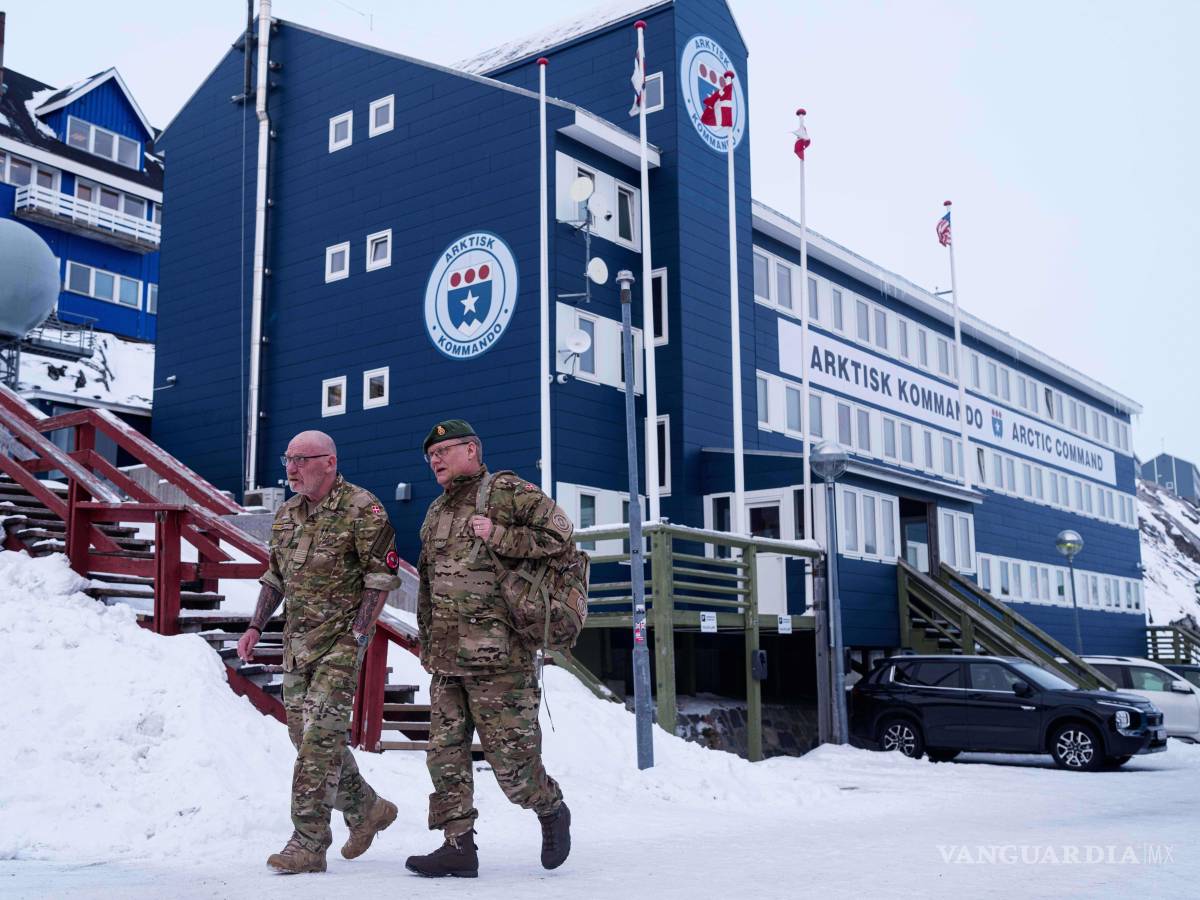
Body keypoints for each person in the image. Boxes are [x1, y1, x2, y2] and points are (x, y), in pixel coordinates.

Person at [405, 419, 572, 878]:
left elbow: (560, 534)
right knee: (445, 755)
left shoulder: (506, 491)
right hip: (445, 659)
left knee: (513, 767)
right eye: (430, 456)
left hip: (500, 659)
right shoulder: (436, 512)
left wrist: (500, 535)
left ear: (473, 449)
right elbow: (427, 586)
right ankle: (458, 845)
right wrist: (426, 641)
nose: (435, 460)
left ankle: (550, 807)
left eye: (445, 450)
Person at [236, 430, 402, 874]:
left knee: (317, 742)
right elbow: (275, 576)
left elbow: (380, 579)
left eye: (301, 460)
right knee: (304, 738)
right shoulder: (287, 513)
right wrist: (256, 625)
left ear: (328, 462)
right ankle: (368, 809)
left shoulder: (363, 508)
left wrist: (357, 638)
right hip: (297, 646)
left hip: (339, 647)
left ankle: (308, 842)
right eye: (287, 459)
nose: (291, 469)